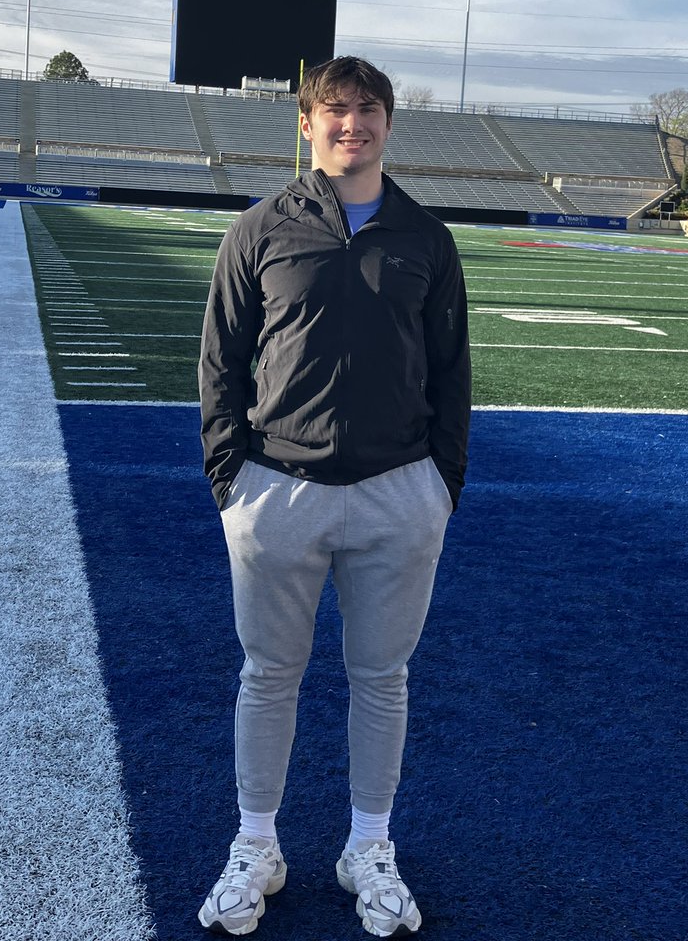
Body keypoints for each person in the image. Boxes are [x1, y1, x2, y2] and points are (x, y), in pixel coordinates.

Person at [197, 55, 471, 937]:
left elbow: (454, 370)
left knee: (381, 680)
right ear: (307, 125)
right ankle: (255, 845)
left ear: (389, 123)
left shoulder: (427, 238)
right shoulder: (260, 228)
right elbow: (220, 362)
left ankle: (370, 845)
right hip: (278, 489)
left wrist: (441, 485)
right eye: (335, 109)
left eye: (369, 109)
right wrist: (229, 479)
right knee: (269, 675)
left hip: (398, 493)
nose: (351, 123)